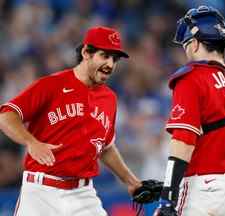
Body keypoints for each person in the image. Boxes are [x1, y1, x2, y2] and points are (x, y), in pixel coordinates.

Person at [0, 26, 142, 216]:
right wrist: (32, 142)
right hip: (41, 192)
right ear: (86, 53)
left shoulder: (109, 98)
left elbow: (105, 147)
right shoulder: (51, 85)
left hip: (82, 193)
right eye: (104, 55)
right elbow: (6, 115)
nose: (110, 64)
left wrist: (131, 181)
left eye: (114, 59)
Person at [154, 5, 225, 216]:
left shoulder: (191, 78)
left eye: (185, 45)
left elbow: (183, 141)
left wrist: (167, 197)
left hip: (207, 190)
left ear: (194, 44)